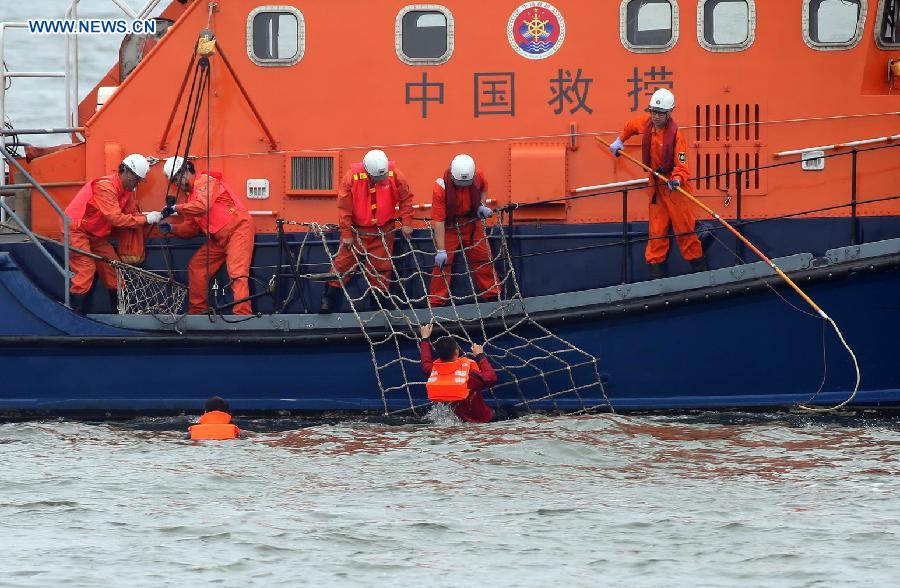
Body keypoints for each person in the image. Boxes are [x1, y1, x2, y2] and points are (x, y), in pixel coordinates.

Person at [609, 88, 707, 278]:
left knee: (685, 231)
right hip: (656, 188)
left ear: (669, 113)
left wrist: (677, 179)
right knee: (657, 233)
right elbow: (630, 126)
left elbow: (682, 164)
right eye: (653, 111)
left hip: (675, 189)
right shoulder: (646, 124)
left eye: (660, 113)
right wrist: (620, 140)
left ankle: (700, 272)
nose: (655, 116)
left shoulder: (677, 136)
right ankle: (656, 278)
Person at [63, 154, 162, 314]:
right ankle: (75, 313)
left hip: (94, 234)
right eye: (136, 179)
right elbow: (115, 218)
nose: (136, 184)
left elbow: (131, 214)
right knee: (86, 268)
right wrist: (146, 219)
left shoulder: (126, 191)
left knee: (114, 266)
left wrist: (153, 218)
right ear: (128, 173)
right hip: (77, 230)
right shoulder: (106, 187)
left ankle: (118, 313)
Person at [319, 149, 414, 313]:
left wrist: (407, 223)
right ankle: (327, 299)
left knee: (382, 269)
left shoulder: (395, 175)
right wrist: (347, 234)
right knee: (342, 265)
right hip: (357, 233)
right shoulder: (351, 178)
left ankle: (377, 307)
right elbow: (344, 209)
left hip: (384, 232)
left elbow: (406, 198)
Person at [159, 157, 256, 315]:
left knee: (237, 274)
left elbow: (203, 206)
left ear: (185, 171)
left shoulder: (205, 181)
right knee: (197, 267)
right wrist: (171, 228)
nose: (176, 184)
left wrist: (175, 208)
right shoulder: (190, 199)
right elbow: (190, 229)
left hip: (239, 230)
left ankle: (242, 316)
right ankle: (198, 312)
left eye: (176, 179)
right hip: (218, 239)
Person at [429, 154, 500, 307]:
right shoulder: (440, 188)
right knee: (442, 266)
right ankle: (436, 303)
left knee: (484, 259)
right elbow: (439, 221)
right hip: (450, 227)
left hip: (471, 223)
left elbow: (483, 188)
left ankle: (493, 296)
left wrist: (481, 205)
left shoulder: (478, 175)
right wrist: (441, 250)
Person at [419, 324, 496, 423]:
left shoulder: (433, 372)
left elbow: (426, 362)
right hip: (483, 420)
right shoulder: (468, 376)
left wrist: (424, 338)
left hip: (458, 421)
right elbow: (491, 378)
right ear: (457, 352)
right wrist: (481, 355)